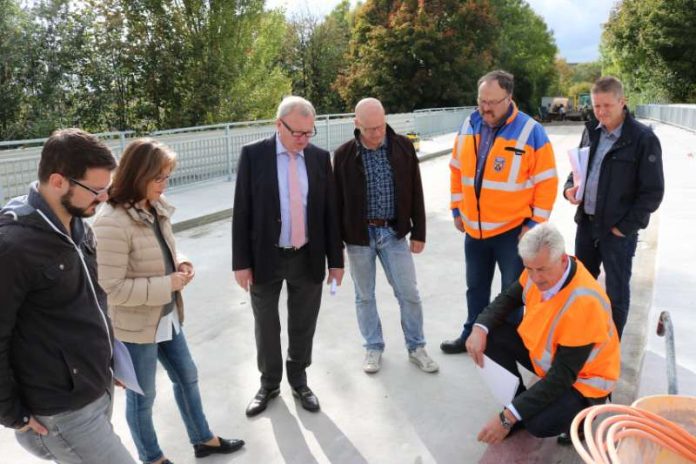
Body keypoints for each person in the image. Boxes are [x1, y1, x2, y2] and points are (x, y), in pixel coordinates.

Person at [92, 139, 244, 464]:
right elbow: (111, 289)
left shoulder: (153, 204)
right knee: (142, 398)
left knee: (187, 376)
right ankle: (152, 458)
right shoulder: (110, 222)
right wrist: (167, 284)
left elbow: (162, 249)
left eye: (167, 176)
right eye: (159, 177)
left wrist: (182, 262)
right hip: (134, 327)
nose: (166, 183)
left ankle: (203, 439)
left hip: (166, 315)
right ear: (138, 175)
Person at [0, 128, 137, 464]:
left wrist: (109, 358)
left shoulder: (78, 224)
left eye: (107, 189)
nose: (104, 198)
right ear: (58, 181)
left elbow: (91, 300)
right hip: (63, 410)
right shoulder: (13, 247)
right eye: (96, 190)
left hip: (97, 385)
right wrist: (10, 412)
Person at [232, 96, 344, 416]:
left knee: (303, 323)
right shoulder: (254, 156)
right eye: (298, 133)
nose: (304, 140)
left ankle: (299, 379)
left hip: (307, 256)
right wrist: (241, 263)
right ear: (278, 125)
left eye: (310, 133)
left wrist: (335, 261)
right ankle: (269, 383)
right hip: (264, 257)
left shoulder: (320, 158)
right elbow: (242, 211)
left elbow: (329, 214)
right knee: (266, 324)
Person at [466, 223, 619, 444]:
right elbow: (508, 298)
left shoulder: (584, 302)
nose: (535, 278)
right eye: (529, 268)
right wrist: (479, 328)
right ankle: (519, 405)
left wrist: (506, 418)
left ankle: (583, 416)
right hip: (550, 360)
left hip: (584, 379)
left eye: (542, 270)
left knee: (539, 424)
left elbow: (562, 376)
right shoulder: (537, 267)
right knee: (490, 334)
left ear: (563, 260)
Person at [442, 70, 558, 354]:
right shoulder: (469, 124)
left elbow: (547, 182)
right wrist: (457, 209)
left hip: (512, 233)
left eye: (492, 102)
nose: (485, 108)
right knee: (476, 289)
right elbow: (457, 170)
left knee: (512, 293)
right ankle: (471, 335)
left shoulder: (531, 131)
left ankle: (508, 345)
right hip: (475, 230)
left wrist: (533, 225)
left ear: (509, 98)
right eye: (482, 100)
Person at [333, 97, 438, 374]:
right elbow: (335, 204)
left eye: (381, 126)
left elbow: (416, 190)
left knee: (409, 293)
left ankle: (416, 347)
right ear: (356, 125)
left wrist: (420, 232)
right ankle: (373, 347)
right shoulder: (343, 155)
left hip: (394, 233)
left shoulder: (402, 147)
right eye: (370, 129)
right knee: (364, 296)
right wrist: (335, 249)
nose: (377, 134)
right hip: (359, 237)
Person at [563, 76, 664, 338]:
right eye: (597, 106)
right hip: (586, 224)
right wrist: (569, 189)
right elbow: (576, 171)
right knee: (581, 288)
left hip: (617, 231)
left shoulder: (643, 139)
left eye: (607, 105)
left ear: (623, 102)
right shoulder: (590, 130)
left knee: (616, 293)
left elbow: (652, 193)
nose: (601, 112)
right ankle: (582, 344)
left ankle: (610, 350)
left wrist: (623, 228)